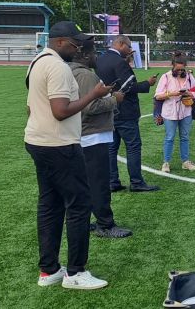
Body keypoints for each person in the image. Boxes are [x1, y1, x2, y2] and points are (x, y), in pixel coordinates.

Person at [24, 21, 112, 290]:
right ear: (60, 42)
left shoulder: (37, 62)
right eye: (75, 44)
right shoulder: (58, 67)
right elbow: (60, 111)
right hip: (59, 145)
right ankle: (76, 272)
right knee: (79, 205)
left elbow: (31, 107)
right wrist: (94, 94)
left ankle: (49, 269)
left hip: (38, 140)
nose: (78, 49)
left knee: (50, 205)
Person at [68, 38, 132, 239]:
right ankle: (105, 224)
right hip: (92, 135)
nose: (97, 56)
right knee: (99, 184)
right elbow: (90, 106)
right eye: (94, 52)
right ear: (86, 55)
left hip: (81, 134)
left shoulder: (70, 71)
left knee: (84, 184)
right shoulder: (85, 75)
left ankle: (83, 221)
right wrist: (114, 99)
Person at [96, 35, 160, 193]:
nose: (130, 49)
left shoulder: (100, 60)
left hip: (108, 110)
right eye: (128, 46)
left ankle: (112, 181)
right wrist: (148, 83)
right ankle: (136, 182)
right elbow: (129, 87)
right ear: (120, 44)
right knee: (133, 147)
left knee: (111, 148)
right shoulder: (119, 62)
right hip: (125, 111)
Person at [154, 52, 195, 173]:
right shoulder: (166, 77)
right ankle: (166, 162)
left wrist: (189, 93)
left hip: (186, 111)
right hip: (169, 112)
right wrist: (171, 94)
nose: (180, 72)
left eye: (182, 69)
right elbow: (158, 95)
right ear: (173, 65)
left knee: (185, 137)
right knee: (169, 137)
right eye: (178, 69)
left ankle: (185, 161)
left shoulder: (189, 77)